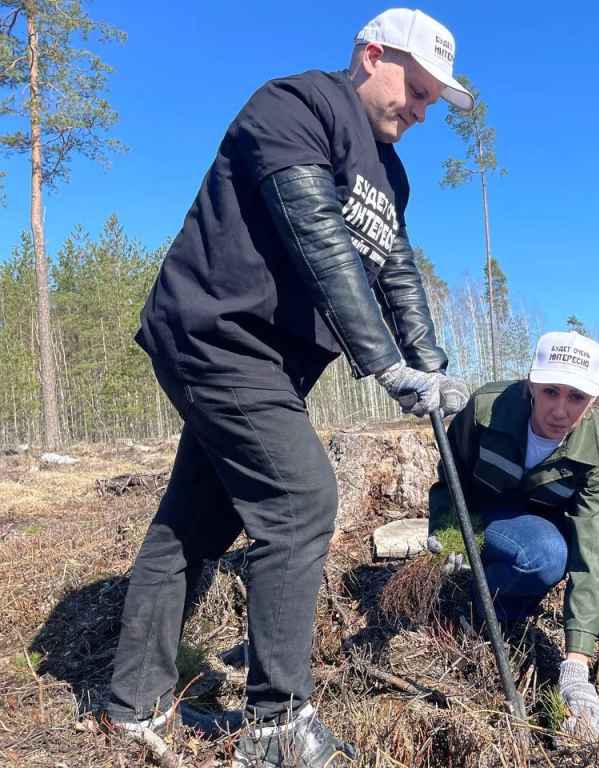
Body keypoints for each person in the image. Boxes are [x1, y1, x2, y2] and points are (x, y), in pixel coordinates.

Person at [105, 9, 474, 766]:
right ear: (373, 56)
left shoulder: (391, 173)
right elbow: (318, 236)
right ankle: (276, 726)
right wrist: (383, 364)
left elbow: (394, 269)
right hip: (216, 333)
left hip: (273, 365)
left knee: (197, 521)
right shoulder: (295, 105)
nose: (424, 107)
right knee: (302, 497)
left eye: (436, 98)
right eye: (419, 87)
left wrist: (432, 365)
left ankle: (130, 704)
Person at [427, 331, 599, 741]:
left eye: (576, 398)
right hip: (491, 510)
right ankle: (485, 604)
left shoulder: (598, 447)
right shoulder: (486, 409)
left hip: (548, 512)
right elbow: (450, 476)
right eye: (550, 391)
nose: (560, 411)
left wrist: (576, 667)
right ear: (531, 383)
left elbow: (593, 550)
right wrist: (449, 540)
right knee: (545, 555)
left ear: (594, 399)